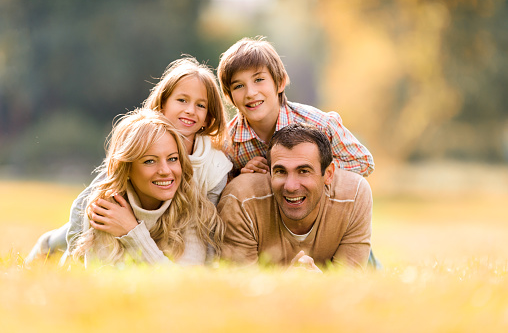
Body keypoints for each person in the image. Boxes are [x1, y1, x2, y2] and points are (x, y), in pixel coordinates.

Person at [25, 56, 232, 264]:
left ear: (209, 118)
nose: (190, 110)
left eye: (200, 105)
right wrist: (74, 256)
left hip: (174, 221)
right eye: (182, 100)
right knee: (66, 235)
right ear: (162, 105)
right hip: (130, 213)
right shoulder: (141, 141)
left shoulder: (212, 165)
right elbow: (88, 201)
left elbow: (209, 228)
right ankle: (47, 245)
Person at [70, 107, 224, 266]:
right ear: (127, 168)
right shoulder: (106, 209)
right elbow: (106, 284)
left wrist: (132, 232)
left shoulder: (191, 204)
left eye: (172, 159)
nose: (165, 171)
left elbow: (185, 283)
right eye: (150, 161)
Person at [217, 123, 372, 272]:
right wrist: (288, 282)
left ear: (328, 174)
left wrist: (317, 282)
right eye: (280, 171)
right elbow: (240, 288)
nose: (291, 186)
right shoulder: (240, 199)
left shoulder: (354, 194)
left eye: (304, 171)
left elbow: (348, 283)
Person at [216, 36, 375, 178]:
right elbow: (220, 193)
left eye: (258, 80)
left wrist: (309, 169)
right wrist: (242, 178)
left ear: (280, 83)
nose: (250, 93)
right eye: (238, 86)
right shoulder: (227, 144)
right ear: (229, 97)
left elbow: (363, 162)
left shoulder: (319, 125)